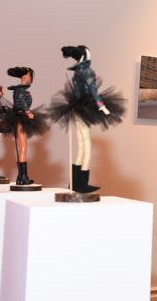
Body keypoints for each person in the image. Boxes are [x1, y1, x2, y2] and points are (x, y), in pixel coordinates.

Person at [48, 45, 126, 193]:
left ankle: (74, 182)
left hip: (76, 106)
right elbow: (93, 90)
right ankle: (82, 183)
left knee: (80, 144)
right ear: (85, 56)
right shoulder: (87, 70)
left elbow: (83, 87)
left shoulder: (77, 71)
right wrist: (101, 105)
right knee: (86, 143)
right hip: (85, 106)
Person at [5, 66, 49, 187]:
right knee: (23, 147)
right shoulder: (20, 90)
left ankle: (21, 176)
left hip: (20, 117)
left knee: (21, 147)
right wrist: (27, 112)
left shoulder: (21, 89)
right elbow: (20, 102)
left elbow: (20, 101)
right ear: (25, 76)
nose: (31, 78)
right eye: (30, 75)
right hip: (21, 117)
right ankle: (23, 176)